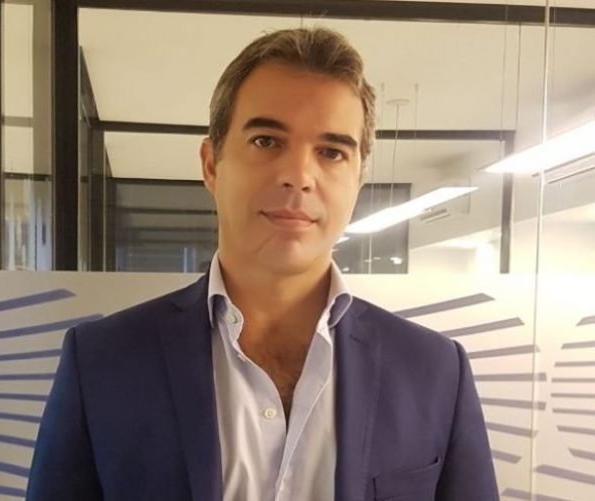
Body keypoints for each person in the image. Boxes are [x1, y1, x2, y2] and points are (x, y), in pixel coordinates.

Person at [26, 27, 499, 501]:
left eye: (331, 152)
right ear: (211, 164)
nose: (299, 176)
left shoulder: (434, 372)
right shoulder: (103, 362)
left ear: (358, 179)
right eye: (267, 141)